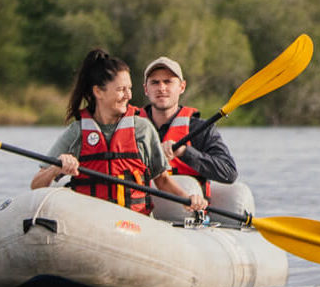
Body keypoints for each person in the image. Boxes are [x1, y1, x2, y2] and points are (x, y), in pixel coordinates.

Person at [32, 48, 207, 216]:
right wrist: (55, 168)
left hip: (134, 223)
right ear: (98, 92)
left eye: (129, 88)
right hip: (89, 223)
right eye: (121, 89)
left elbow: (161, 180)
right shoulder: (77, 132)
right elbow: (36, 186)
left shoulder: (142, 129)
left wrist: (188, 199)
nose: (128, 95)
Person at [140, 56, 238, 187]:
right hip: (142, 206)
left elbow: (229, 173)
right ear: (146, 89)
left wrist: (184, 152)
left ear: (182, 87)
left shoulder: (201, 128)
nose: (161, 88)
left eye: (168, 82)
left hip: (189, 205)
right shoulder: (133, 126)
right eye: (155, 82)